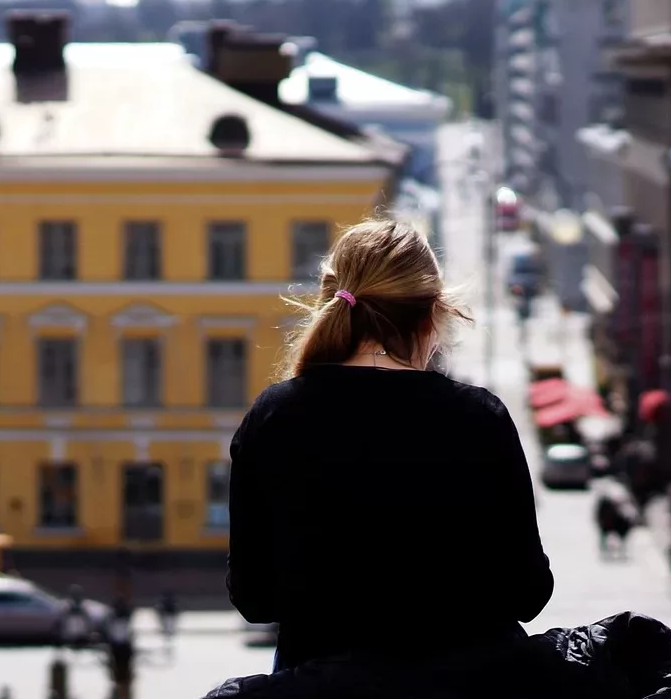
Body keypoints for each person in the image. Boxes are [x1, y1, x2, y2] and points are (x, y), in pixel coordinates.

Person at [227, 219, 554, 671]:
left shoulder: (275, 416)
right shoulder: (479, 419)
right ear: (431, 315)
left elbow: (255, 600)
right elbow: (528, 593)